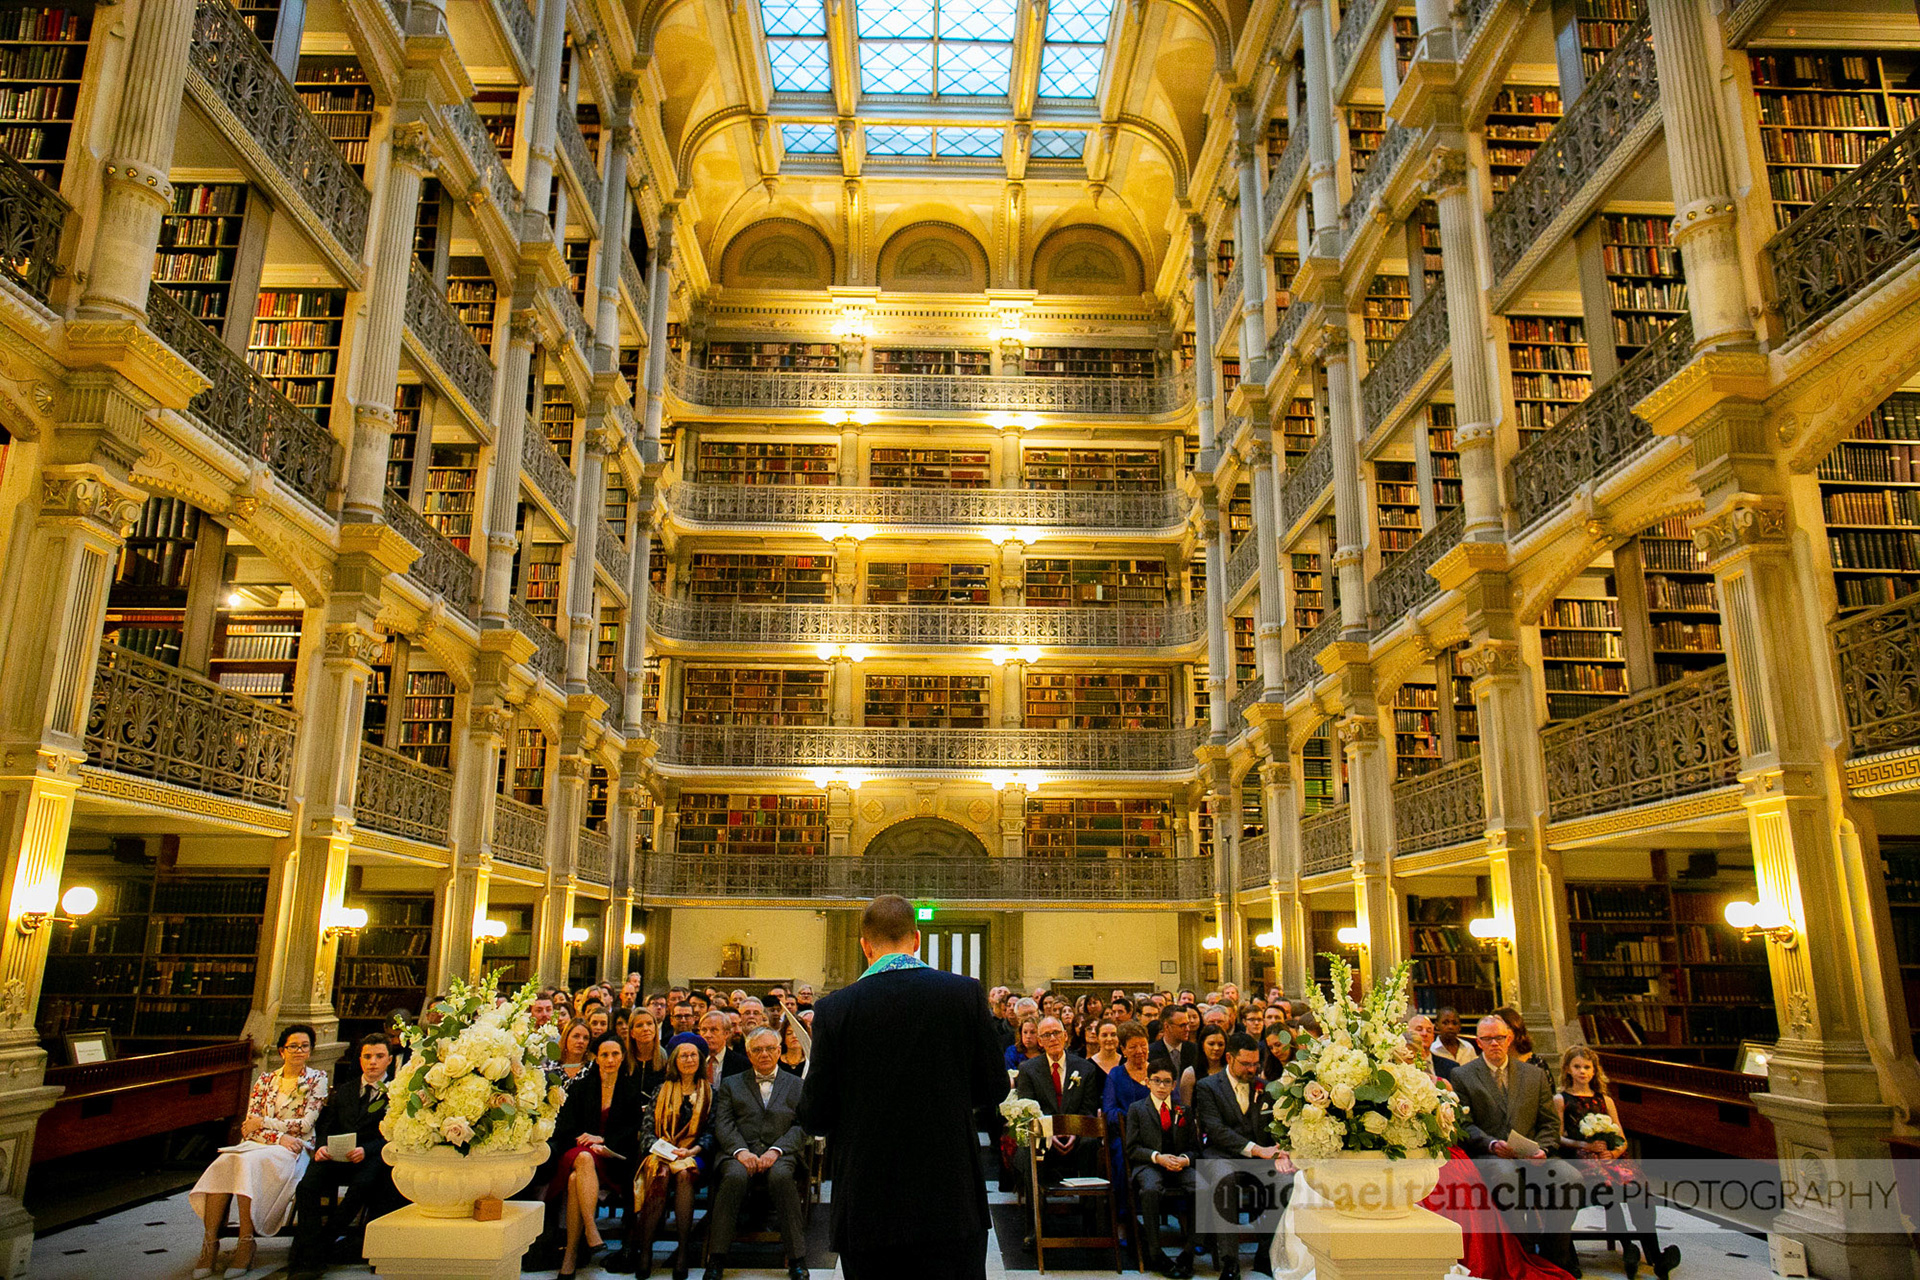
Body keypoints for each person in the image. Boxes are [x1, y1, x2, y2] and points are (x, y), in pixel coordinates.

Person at [799, 894, 1006, 1280]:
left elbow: (816, 1115)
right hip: (950, 1192)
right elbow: (994, 1087)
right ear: (916, 938)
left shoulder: (835, 1009)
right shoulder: (963, 994)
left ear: (865, 945)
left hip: (868, 1199)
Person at [189, 1025, 326, 1278]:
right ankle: (209, 1244)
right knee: (226, 1160)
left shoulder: (317, 1079)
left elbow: (304, 1125)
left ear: (310, 1051)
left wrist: (265, 1124)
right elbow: (248, 1127)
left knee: (247, 1163)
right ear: (282, 1051)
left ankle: (246, 1241)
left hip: (294, 1150)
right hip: (262, 1144)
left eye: (304, 1046)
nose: (299, 1051)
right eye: (293, 1046)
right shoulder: (265, 1080)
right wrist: (278, 1135)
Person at [1450, 1015, 1581, 1275]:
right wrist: (1491, 1144)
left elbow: (1550, 1123)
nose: (1495, 1043)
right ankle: (1523, 1252)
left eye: (1499, 1037)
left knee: (1570, 1177)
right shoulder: (1462, 1075)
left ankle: (1554, 1254)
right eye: (1487, 1039)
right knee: (1505, 1175)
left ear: (1509, 1038)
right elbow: (1463, 1125)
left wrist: (1543, 1148)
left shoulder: (1534, 1075)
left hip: (1534, 1154)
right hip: (1491, 1156)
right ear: (1478, 1042)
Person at [1557, 1046, 1677, 1279]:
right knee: (1607, 1185)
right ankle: (1627, 1246)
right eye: (1577, 1067)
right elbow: (1558, 1136)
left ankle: (1653, 1253)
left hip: (1611, 1157)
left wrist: (1615, 1152)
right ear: (1568, 1070)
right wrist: (1585, 1146)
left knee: (1638, 1187)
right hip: (1583, 1158)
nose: (1583, 1072)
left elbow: (1620, 1136)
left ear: (1594, 1071)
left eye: (1587, 1067)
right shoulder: (1562, 1099)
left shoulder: (1605, 1100)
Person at [287, 1034, 397, 1280]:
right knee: (307, 1186)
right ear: (360, 1059)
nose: (373, 1063)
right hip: (336, 1155)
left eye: (379, 1057)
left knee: (362, 1186)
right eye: (367, 1057)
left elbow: (395, 1135)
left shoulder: (396, 1093)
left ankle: (318, 1249)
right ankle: (313, 1247)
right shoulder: (345, 1090)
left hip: (371, 1157)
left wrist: (366, 1150)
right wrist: (323, 1147)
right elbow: (327, 1124)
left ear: (389, 1060)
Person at [706, 1027, 810, 1280]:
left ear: (779, 1051)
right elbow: (724, 1124)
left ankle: (797, 1258)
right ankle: (716, 1258)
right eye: (757, 1050)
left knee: (781, 1178)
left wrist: (776, 1151)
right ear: (749, 1055)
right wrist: (741, 1152)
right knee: (733, 1178)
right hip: (738, 1153)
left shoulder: (797, 1085)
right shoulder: (731, 1084)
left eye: (769, 1048)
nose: (764, 1054)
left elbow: (802, 1125)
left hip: (781, 1153)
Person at [550, 1034, 647, 1279]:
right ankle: (592, 1230)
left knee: (575, 1181)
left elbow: (633, 1129)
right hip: (577, 1152)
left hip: (612, 1158)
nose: (610, 1059)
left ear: (623, 1057)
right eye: (604, 1054)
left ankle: (570, 1256)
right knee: (583, 1159)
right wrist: (588, 1138)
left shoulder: (630, 1090)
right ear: (596, 1058)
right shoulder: (582, 1087)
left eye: (615, 1054)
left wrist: (604, 1140)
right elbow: (565, 1127)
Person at [628, 1034, 715, 1279]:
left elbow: (710, 1133)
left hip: (693, 1154)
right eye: (683, 1055)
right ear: (675, 1060)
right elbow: (646, 1130)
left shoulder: (710, 1093)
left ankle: (683, 1251)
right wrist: (662, 1148)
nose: (688, 1060)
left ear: (700, 1060)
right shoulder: (661, 1090)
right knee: (662, 1173)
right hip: (660, 1151)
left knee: (685, 1174)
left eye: (693, 1055)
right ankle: (645, 1250)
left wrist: (692, 1151)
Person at [1191, 1033, 1277, 1280]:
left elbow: (1271, 1125)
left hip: (1258, 1159)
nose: (1252, 1069)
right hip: (1221, 1155)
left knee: (1285, 1180)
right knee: (1224, 1182)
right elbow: (1215, 1130)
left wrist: (1276, 1148)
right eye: (1246, 1064)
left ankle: (1265, 1253)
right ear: (1229, 1058)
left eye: (1255, 1064)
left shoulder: (1264, 1087)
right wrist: (1255, 1149)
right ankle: (1230, 1262)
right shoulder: (1207, 1087)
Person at [1127, 1061, 1199, 1279]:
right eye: (1156, 1081)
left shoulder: (1183, 1110)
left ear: (1174, 1085)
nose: (1161, 1086)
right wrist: (1157, 1157)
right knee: (1150, 1189)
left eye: (1167, 1082)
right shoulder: (1137, 1109)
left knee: (1202, 1187)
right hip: (1150, 1164)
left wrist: (1184, 1160)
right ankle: (1155, 1252)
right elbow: (1132, 1148)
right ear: (1148, 1082)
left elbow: (1195, 1149)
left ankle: (1188, 1253)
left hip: (1178, 1164)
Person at [1014, 1015, 1102, 1186]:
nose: (1053, 1038)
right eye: (1047, 1035)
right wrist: (1048, 1133)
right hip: (1044, 1134)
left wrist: (1073, 1132)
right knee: (1029, 1146)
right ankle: (1037, 1208)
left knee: (1090, 1144)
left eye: (1056, 1033)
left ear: (1065, 1036)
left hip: (1077, 1133)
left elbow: (1088, 1109)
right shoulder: (1028, 1069)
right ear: (1040, 1041)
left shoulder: (1086, 1068)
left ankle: (1089, 1208)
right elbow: (1028, 1109)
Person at [1177, 1026, 1228, 1111]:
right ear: (1202, 1044)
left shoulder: (1230, 1070)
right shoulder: (1190, 1073)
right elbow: (1186, 1108)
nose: (1216, 1048)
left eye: (1220, 1044)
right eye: (1211, 1044)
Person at [698, 1010, 751, 1083]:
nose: (707, 1035)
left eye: (713, 1030)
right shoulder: (694, 1060)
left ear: (726, 1034)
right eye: (704, 1030)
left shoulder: (742, 1064)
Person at [1150, 1005, 1200, 1079]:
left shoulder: (1195, 1050)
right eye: (1182, 1025)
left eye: (1187, 1024)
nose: (1187, 1029)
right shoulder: (1151, 1052)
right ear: (1167, 1026)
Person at [628, 1007, 670, 1093]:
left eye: (649, 1023)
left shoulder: (665, 1060)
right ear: (632, 1033)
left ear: (655, 1028)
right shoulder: (624, 1061)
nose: (645, 1029)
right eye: (639, 1025)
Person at [554, 1019, 595, 1087]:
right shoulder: (551, 1067)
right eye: (576, 1036)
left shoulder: (593, 1069)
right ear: (566, 1038)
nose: (581, 1041)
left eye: (585, 1038)